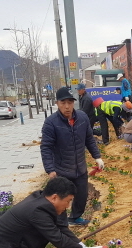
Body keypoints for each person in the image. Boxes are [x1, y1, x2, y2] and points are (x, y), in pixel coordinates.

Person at [41, 87, 104, 226]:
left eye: (70, 102)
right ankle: (61, 223)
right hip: (62, 168)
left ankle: (75, 218)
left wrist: (97, 157)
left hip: (80, 167)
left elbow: (89, 138)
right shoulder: (51, 123)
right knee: (62, 198)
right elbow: (46, 147)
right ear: (57, 103)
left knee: (81, 195)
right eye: (63, 103)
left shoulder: (82, 118)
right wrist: (50, 170)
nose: (67, 106)